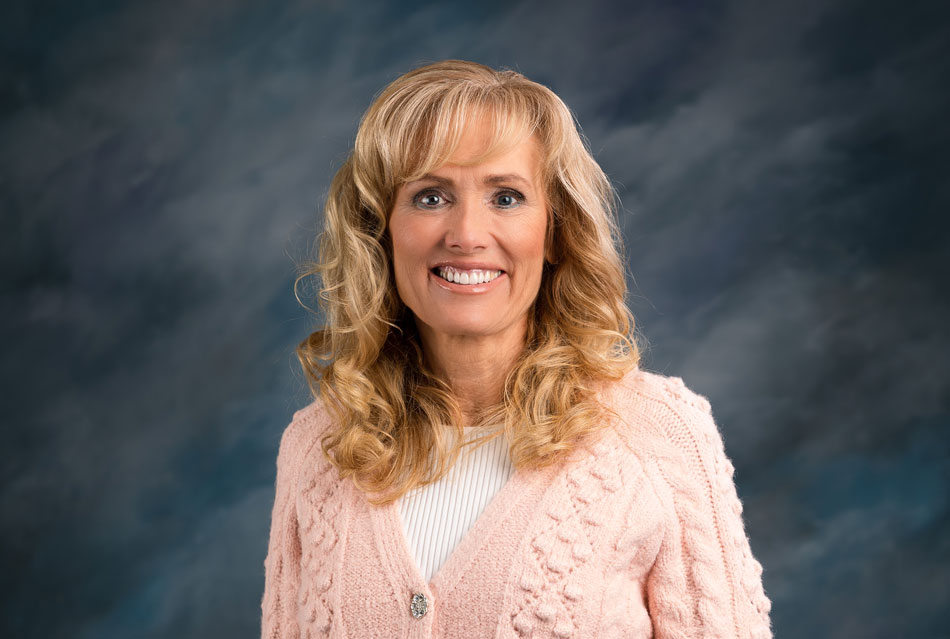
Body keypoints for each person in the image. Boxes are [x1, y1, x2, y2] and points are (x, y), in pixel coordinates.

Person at [261, 60, 772, 639]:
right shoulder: (317, 447)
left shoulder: (657, 434)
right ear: (381, 231)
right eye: (430, 197)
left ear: (554, 231)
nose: (466, 235)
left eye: (506, 198)